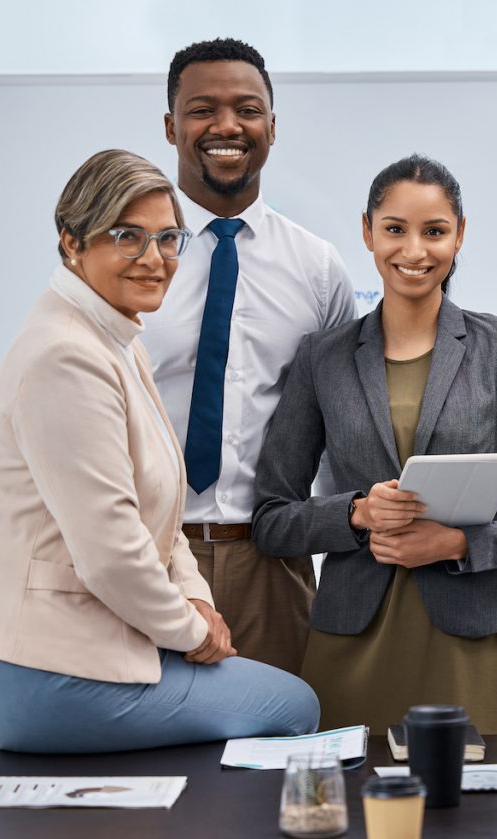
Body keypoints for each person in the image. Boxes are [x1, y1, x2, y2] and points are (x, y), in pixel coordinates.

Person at [0, 149, 319, 761]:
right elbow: (112, 553)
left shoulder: (115, 335)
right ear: (71, 242)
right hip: (21, 666)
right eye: (127, 236)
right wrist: (194, 633)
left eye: (168, 238)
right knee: (291, 707)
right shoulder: (69, 355)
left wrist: (196, 600)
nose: (154, 258)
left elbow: (160, 520)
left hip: (22, 653)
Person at [252, 155, 497, 734]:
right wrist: (355, 514)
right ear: (367, 232)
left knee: (462, 815)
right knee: (353, 815)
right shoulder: (321, 358)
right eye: (395, 229)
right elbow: (271, 519)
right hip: (350, 634)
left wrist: (458, 543)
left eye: (435, 231)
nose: (414, 250)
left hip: (462, 640)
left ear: (460, 236)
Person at [143, 38, 357, 675]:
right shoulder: (131, 261)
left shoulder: (318, 267)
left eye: (248, 109)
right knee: (155, 762)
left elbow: (341, 430)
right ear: (170, 126)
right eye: (202, 109)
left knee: (277, 756)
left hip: (274, 561)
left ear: (272, 125)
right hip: (148, 557)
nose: (227, 126)